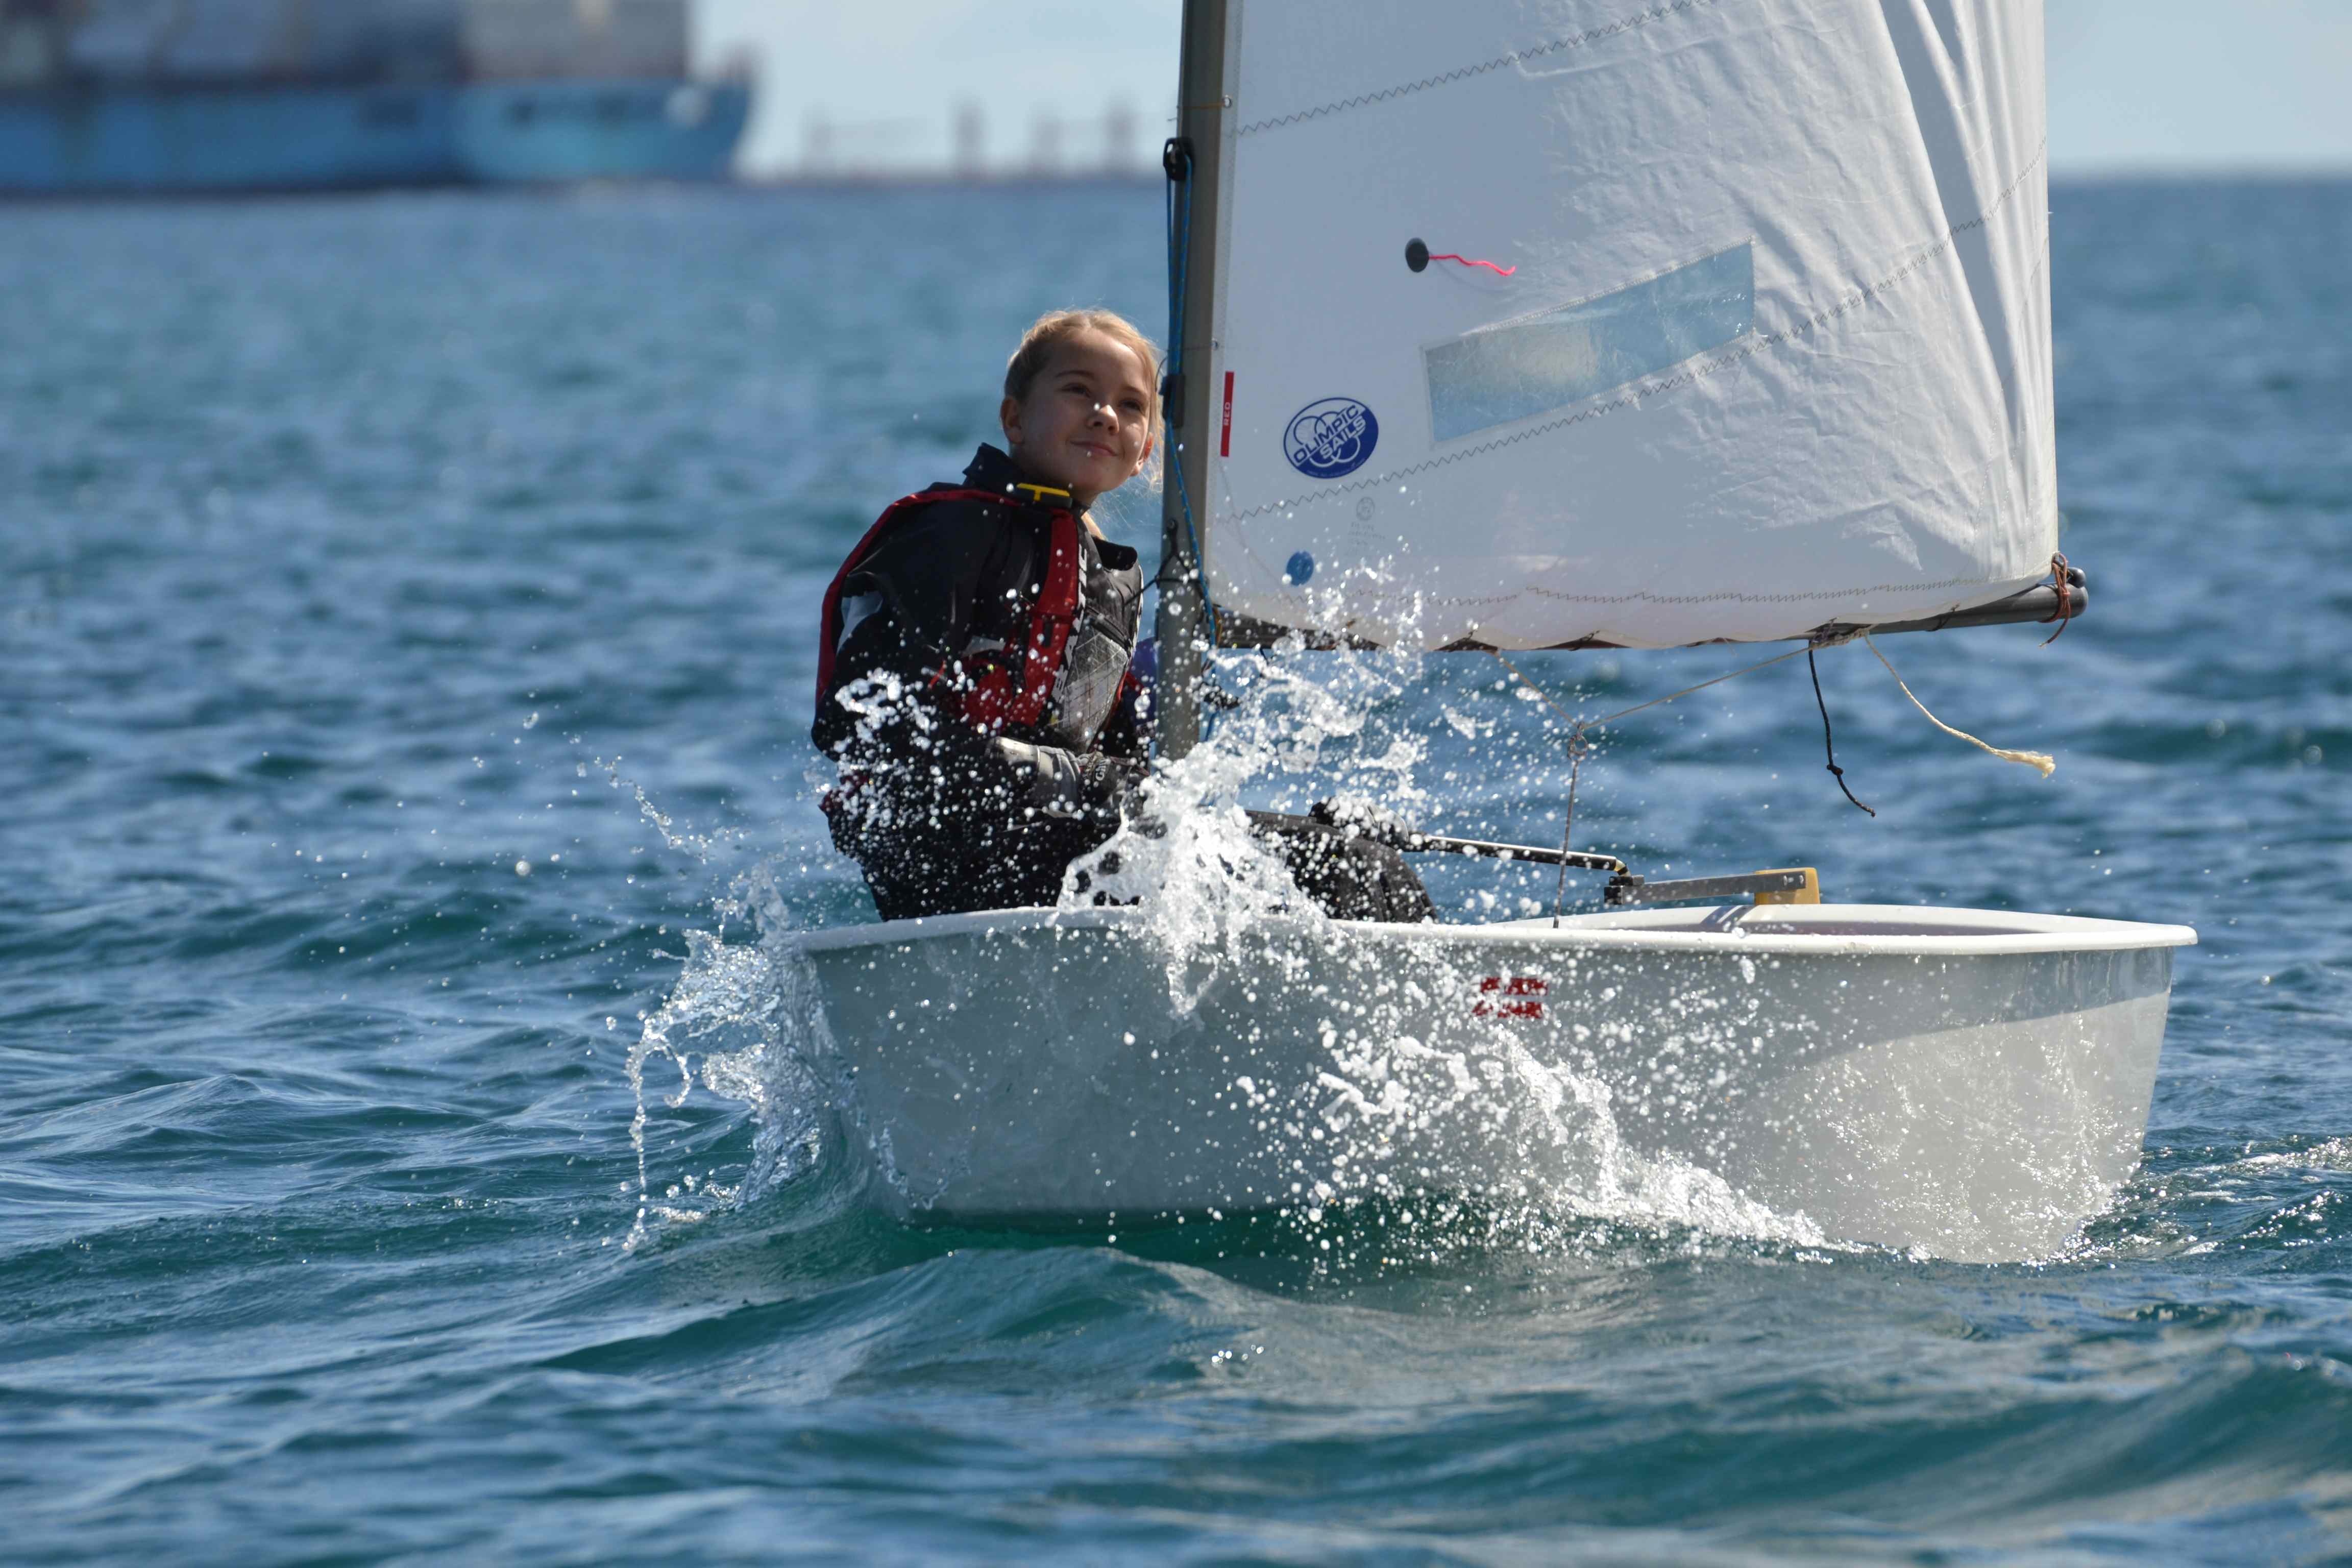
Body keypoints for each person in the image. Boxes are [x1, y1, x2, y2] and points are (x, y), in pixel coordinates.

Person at [814, 309, 1156, 920]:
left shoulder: (1114, 581)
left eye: (1131, 405)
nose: (1105, 413)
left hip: (1053, 846)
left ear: (1144, 452)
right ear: (1014, 419)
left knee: (1359, 858)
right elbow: (860, 722)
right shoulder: (950, 531)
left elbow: (1119, 764)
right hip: (939, 853)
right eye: (1079, 390)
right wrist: (1063, 777)